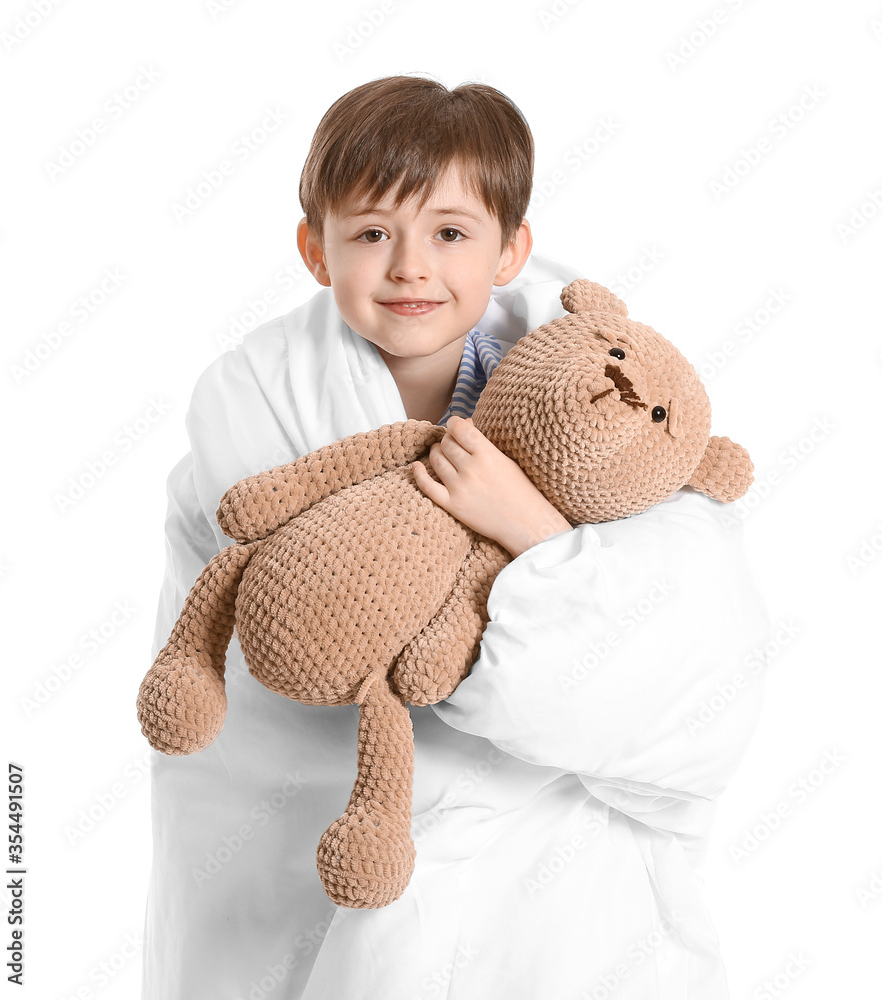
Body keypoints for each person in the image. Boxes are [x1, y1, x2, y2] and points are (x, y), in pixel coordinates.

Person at [142, 75, 771, 999]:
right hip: (317, 826)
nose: (410, 267)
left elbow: (685, 616)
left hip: (543, 865)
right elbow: (302, 602)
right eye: (371, 234)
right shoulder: (258, 403)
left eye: (449, 233)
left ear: (510, 249)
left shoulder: (598, 384)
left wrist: (528, 525)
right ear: (315, 251)